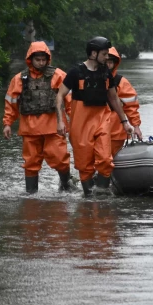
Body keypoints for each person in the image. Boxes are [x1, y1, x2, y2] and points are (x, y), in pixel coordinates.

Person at [55, 36, 134, 196]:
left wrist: (125, 121)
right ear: (93, 54)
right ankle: (89, 199)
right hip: (80, 123)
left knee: (105, 159)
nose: (107, 57)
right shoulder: (75, 72)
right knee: (84, 166)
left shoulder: (106, 73)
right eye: (104, 54)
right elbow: (59, 95)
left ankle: (103, 193)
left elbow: (113, 98)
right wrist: (60, 121)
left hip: (102, 120)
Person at [3, 41, 74, 193]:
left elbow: (70, 101)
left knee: (60, 158)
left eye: (43, 59)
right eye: (38, 59)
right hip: (29, 129)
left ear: (48, 59)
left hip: (54, 127)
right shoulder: (19, 79)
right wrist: (7, 123)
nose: (41, 63)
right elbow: (11, 103)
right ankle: (31, 193)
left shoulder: (59, 76)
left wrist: (74, 122)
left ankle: (66, 185)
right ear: (30, 59)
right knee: (30, 162)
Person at [106, 47, 143, 156]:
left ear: (115, 63)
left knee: (109, 160)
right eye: (105, 62)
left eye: (110, 62)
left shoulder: (121, 82)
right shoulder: (91, 80)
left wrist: (136, 126)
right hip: (95, 128)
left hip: (115, 130)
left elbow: (131, 106)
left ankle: (107, 173)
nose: (108, 65)